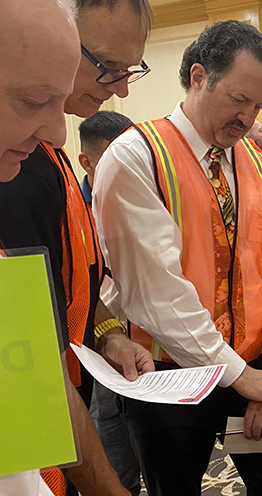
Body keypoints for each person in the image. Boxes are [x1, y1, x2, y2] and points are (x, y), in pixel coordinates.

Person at [93, 21, 262, 495]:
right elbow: (155, 292)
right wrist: (242, 376)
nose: (247, 118)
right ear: (198, 77)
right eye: (239, 100)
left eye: (257, 106)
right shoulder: (136, 157)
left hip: (255, 369)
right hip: (167, 379)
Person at [0, 0, 153, 495]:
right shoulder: (16, 167)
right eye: (107, 66)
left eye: (129, 70)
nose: (121, 88)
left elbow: (72, 279)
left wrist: (107, 333)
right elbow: (33, 361)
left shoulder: (43, 152)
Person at [76, 110, 142, 495]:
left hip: (147, 340)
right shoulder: (72, 208)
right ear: (87, 162)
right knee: (113, 443)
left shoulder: (146, 197)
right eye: (115, 156)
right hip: (96, 343)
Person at [77, 111, 134, 204]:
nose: (130, 168)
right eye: (116, 159)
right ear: (87, 164)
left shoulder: (151, 196)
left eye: (131, 157)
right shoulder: (68, 208)